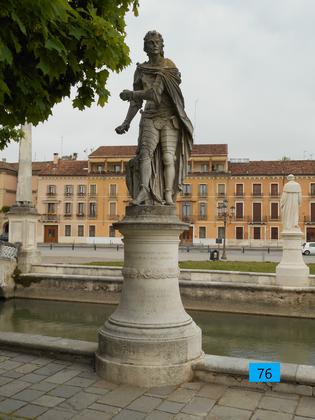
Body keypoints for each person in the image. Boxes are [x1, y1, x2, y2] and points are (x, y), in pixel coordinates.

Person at [115, 30, 193, 205]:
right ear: (145, 47)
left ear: (162, 45)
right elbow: (136, 102)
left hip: (169, 118)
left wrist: (132, 94)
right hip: (149, 116)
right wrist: (126, 122)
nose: (155, 44)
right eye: (151, 42)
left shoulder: (168, 67)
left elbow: (155, 94)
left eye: (157, 42)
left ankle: (167, 194)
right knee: (145, 155)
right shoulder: (141, 70)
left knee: (168, 157)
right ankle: (143, 190)